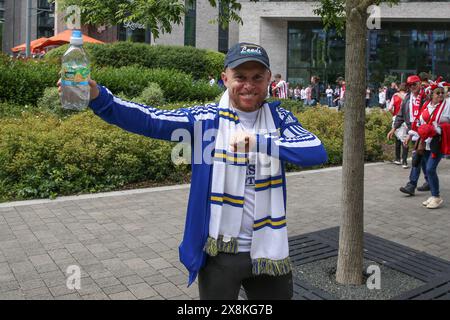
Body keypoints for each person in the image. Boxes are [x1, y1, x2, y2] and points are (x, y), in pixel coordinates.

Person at [59, 42, 327, 300]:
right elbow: (151, 119)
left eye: (257, 77)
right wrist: (99, 98)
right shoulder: (206, 119)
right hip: (219, 252)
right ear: (225, 78)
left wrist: (258, 142)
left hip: (268, 250)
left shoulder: (280, 119)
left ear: (268, 79)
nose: (248, 85)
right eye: (240, 76)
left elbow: (315, 150)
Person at [408, 80, 450, 209]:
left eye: (442, 93)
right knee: (426, 168)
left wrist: (439, 129)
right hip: (424, 142)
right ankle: (433, 195)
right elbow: (419, 121)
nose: (441, 95)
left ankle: (436, 197)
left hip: (437, 142)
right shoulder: (426, 105)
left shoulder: (447, 105)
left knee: (431, 169)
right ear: (431, 94)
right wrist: (414, 133)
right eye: (438, 93)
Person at [387, 75, 428, 196]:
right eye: (410, 85)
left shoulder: (426, 98)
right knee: (423, 159)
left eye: (415, 84)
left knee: (416, 158)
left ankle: (411, 185)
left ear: (420, 84)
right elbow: (400, 115)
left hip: (425, 133)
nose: (412, 87)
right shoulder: (407, 98)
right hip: (412, 132)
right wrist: (393, 129)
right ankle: (429, 180)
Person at [387, 83, 408, 168]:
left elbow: (389, 108)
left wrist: (394, 114)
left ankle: (397, 159)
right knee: (405, 139)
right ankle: (405, 161)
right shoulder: (408, 96)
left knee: (398, 139)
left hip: (396, 118)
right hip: (406, 119)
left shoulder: (395, 96)